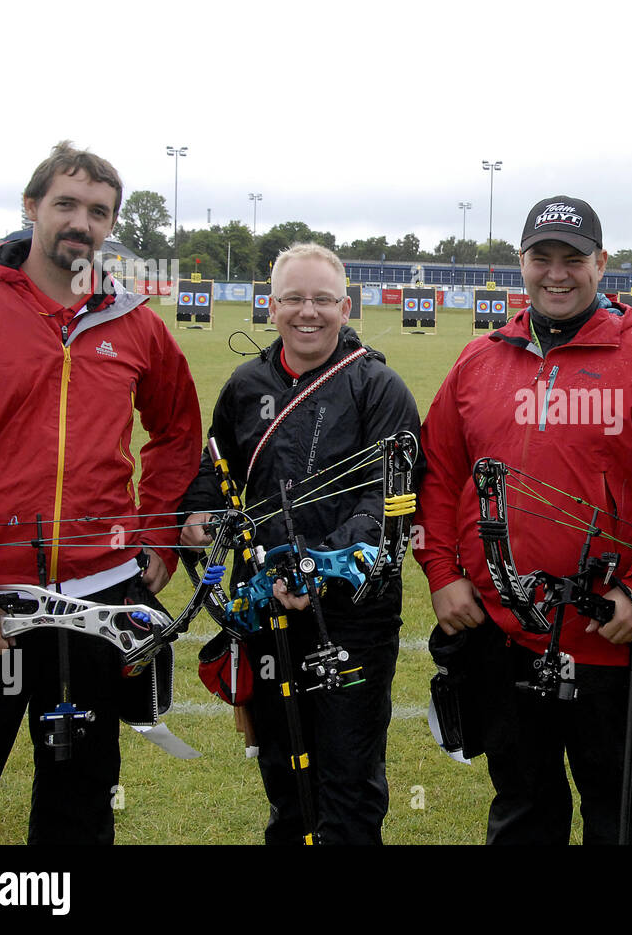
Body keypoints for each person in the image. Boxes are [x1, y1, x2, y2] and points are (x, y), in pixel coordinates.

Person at [0, 141, 202, 844]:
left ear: (110, 227)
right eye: (67, 204)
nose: (82, 223)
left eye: (98, 212)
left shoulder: (136, 324)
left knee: (78, 805)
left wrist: (156, 532)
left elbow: (176, 432)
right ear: (31, 207)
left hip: (95, 599)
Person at [415, 195, 632, 844]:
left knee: (617, 813)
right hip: (502, 635)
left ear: (601, 263)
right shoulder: (477, 362)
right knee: (522, 808)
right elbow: (436, 475)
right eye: (541, 257)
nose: (556, 273)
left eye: (572, 259)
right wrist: (441, 572)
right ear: (521, 262)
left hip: (608, 634)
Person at [179, 242, 420, 845]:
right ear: (271, 305)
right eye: (292, 298)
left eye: (321, 299)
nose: (306, 312)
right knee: (284, 777)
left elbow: (389, 501)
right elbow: (217, 469)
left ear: (345, 306)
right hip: (264, 609)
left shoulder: (379, 387)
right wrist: (200, 513)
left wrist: (311, 568)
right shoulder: (245, 383)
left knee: (348, 782)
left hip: (352, 616)